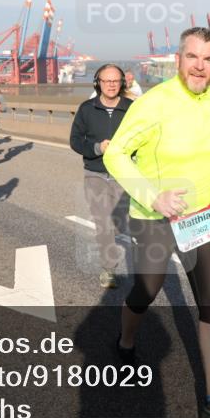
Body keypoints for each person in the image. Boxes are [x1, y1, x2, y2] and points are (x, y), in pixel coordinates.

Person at [103, 26, 210, 418]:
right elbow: (116, 154)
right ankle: (126, 341)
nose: (199, 66)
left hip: (200, 216)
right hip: (154, 217)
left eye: (209, 59)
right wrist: (153, 197)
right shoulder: (154, 103)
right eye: (192, 57)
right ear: (178, 59)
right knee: (146, 290)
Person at [70, 64, 133, 288]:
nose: (111, 85)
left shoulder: (132, 109)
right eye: (107, 81)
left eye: (115, 81)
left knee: (119, 224)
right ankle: (109, 269)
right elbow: (75, 141)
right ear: (98, 83)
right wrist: (97, 148)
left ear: (122, 83)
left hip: (123, 175)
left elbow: (145, 138)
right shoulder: (87, 108)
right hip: (95, 174)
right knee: (103, 223)